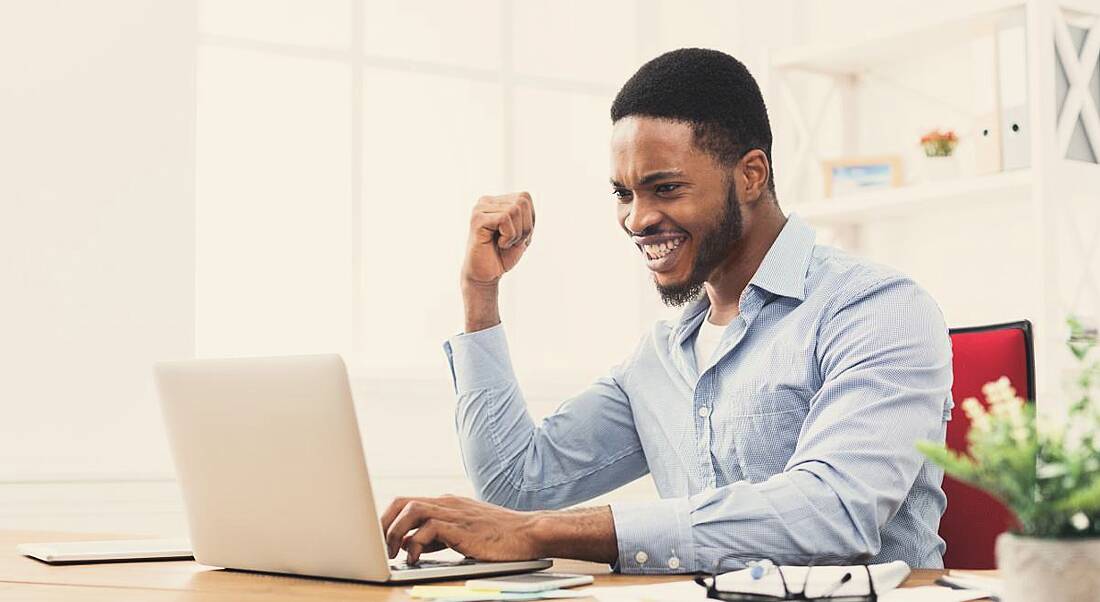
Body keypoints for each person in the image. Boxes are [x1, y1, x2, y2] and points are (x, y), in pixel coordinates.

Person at [380, 48, 953, 573]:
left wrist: (540, 533)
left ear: (751, 175)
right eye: (624, 193)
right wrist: (480, 292)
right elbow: (515, 484)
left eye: (665, 188)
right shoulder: (660, 358)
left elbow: (832, 512)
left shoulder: (876, 309)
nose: (636, 218)